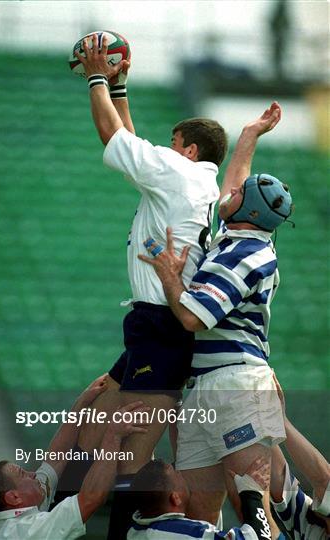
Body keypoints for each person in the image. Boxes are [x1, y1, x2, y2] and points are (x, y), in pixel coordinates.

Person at [71, 32, 228, 538]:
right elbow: (136, 148)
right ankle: (56, 506)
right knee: (93, 421)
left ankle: (115, 530)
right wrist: (120, 89)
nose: (165, 148)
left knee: (128, 450)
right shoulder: (199, 181)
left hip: (160, 326)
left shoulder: (178, 175)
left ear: (189, 148)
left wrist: (98, 75)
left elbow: (116, 141)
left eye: (173, 142)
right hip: (153, 326)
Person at [139, 153, 293, 524]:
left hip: (236, 383)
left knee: (252, 511)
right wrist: (250, 137)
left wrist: (168, 276)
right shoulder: (235, 237)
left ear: (250, 210)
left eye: (241, 192)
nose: (231, 191)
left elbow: (192, 317)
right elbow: (232, 190)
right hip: (205, 386)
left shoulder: (245, 254)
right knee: (196, 515)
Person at [0, 374, 148, 539]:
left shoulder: (7, 517)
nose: (33, 473)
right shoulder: (26, 532)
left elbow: (55, 458)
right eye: (23, 474)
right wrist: (114, 435)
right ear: (14, 497)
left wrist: (81, 402)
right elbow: (91, 498)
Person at [127, 458, 272, 539]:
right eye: (178, 475)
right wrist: (251, 493)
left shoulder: (135, 531)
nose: (182, 475)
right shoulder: (187, 534)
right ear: (175, 497)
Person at [270, 374, 330, 539]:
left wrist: (280, 421)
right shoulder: (314, 530)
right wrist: (262, 420)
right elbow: (279, 480)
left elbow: (324, 481)